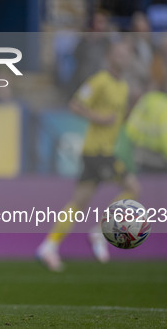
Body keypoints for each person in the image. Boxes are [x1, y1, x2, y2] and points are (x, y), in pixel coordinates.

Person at [36, 41, 140, 272]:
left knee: (79, 202)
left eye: (127, 55)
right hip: (97, 151)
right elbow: (75, 104)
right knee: (132, 187)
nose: (123, 59)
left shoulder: (123, 87)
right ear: (110, 56)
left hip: (106, 150)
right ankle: (99, 232)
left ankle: (49, 245)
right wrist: (98, 118)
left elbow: (119, 121)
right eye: (120, 54)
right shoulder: (100, 80)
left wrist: (133, 104)